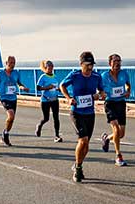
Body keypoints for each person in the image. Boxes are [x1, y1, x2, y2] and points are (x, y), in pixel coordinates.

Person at [60, 51, 105, 183]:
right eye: (87, 64)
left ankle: (77, 163)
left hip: (90, 113)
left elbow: (102, 91)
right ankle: (78, 169)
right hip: (76, 112)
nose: (90, 67)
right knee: (83, 140)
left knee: (87, 145)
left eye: (91, 64)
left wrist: (100, 95)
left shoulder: (96, 76)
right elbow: (62, 85)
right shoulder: (74, 75)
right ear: (81, 64)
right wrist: (68, 98)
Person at [100, 54, 132, 166]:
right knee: (116, 130)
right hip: (110, 103)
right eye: (115, 61)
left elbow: (128, 85)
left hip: (121, 103)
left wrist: (128, 91)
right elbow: (100, 89)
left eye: (119, 61)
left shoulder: (124, 73)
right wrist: (102, 93)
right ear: (110, 63)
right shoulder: (104, 76)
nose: (117, 63)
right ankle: (118, 156)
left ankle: (107, 138)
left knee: (121, 134)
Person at [0, 55, 29, 147]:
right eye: (11, 63)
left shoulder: (16, 73)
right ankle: (6, 135)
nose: (12, 65)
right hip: (4, 98)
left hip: (13, 98)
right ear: (6, 63)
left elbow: (19, 83)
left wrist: (23, 87)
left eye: (14, 63)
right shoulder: (0, 73)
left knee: (11, 120)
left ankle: (5, 133)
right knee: (11, 115)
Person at [35, 60, 62, 142]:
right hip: (45, 100)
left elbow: (58, 87)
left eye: (51, 67)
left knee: (56, 118)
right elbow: (38, 88)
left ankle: (57, 135)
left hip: (55, 100)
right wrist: (47, 88)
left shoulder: (55, 77)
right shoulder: (43, 77)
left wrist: (60, 89)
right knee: (46, 118)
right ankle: (39, 126)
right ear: (45, 68)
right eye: (48, 67)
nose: (50, 68)